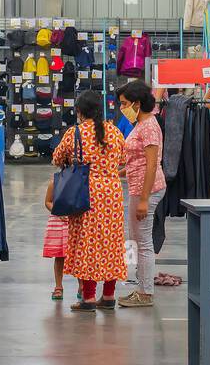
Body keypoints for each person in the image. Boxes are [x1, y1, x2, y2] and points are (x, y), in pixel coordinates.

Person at [51, 90, 127, 313]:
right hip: (112, 193)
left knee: (87, 243)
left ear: (80, 111)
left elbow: (57, 158)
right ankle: (110, 295)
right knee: (111, 242)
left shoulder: (75, 133)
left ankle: (89, 298)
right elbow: (123, 159)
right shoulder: (114, 132)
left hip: (85, 192)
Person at [117, 80, 165, 308]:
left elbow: (152, 165)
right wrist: (119, 171)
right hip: (138, 187)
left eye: (124, 104)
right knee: (136, 239)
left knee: (143, 242)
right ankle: (141, 288)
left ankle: (146, 293)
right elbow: (138, 160)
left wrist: (145, 200)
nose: (121, 108)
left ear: (137, 103)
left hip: (148, 189)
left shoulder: (149, 126)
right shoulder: (141, 124)